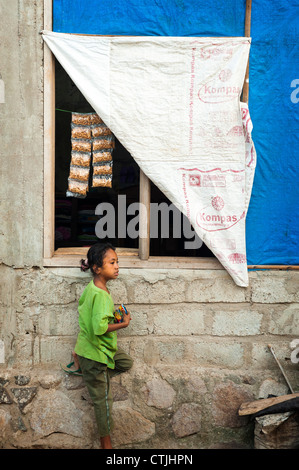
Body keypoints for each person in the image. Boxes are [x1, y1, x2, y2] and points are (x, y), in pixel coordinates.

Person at [73, 242, 133, 449]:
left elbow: (92, 321)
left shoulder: (95, 289)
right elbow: (99, 328)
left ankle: (91, 372)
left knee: (125, 362)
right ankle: (106, 446)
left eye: (117, 262)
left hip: (98, 348)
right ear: (97, 268)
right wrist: (122, 324)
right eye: (112, 262)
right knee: (103, 403)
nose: (117, 266)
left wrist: (113, 319)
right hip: (94, 353)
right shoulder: (100, 295)